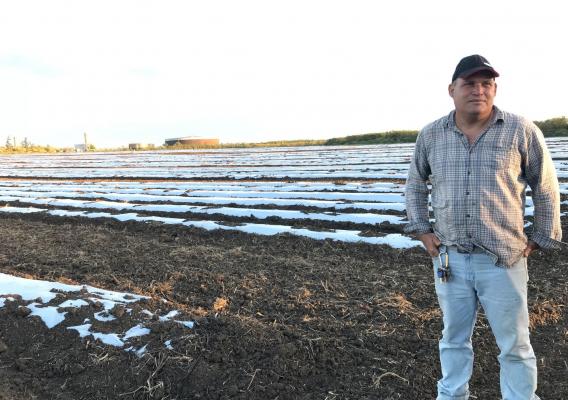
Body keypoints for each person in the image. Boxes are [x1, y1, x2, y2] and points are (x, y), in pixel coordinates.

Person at [404, 54, 563, 400]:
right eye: (470, 83)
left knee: (515, 343)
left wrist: (539, 236)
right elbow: (416, 183)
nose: (479, 90)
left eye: (486, 83)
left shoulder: (521, 130)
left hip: (503, 259)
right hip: (451, 259)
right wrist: (422, 231)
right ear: (452, 89)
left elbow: (546, 186)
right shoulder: (432, 135)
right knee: (453, 339)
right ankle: (452, 395)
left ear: (494, 88)